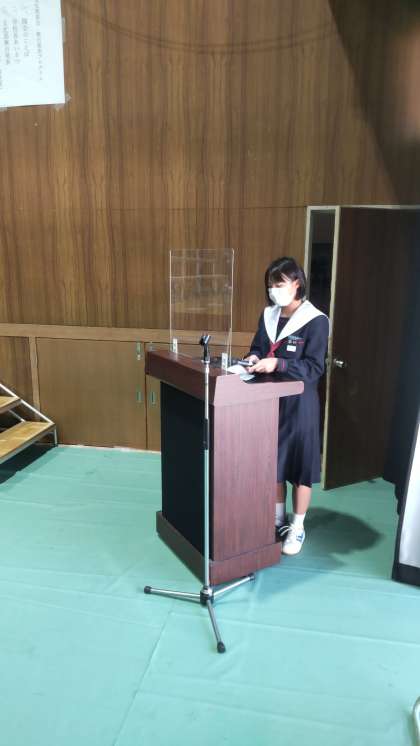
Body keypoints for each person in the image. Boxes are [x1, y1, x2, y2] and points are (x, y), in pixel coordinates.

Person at [246, 257, 329, 555]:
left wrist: (278, 363)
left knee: (300, 466)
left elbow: (314, 367)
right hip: (270, 401)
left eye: (279, 284)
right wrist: (254, 357)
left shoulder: (315, 320)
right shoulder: (268, 315)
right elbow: (258, 347)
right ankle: (277, 519)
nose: (274, 290)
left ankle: (297, 526)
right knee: (273, 463)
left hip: (300, 405)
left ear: (297, 283)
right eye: (271, 285)